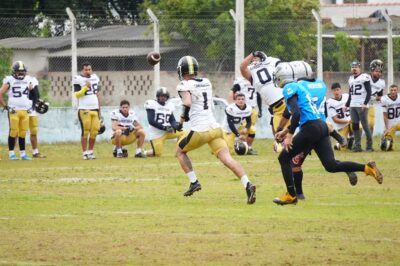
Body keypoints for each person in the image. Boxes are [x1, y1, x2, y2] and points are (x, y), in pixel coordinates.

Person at [272, 62, 383, 205]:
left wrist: (289, 135)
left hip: (310, 128)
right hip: (321, 126)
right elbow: (304, 113)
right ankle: (367, 168)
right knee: (331, 165)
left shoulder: (289, 87)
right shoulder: (301, 87)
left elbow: (296, 113)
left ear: (282, 76)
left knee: (284, 159)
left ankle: (291, 195)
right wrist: (286, 131)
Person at [175, 55, 256, 204]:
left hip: (201, 130)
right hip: (215, 128)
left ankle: (194, 182)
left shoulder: (183, 85)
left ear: (182, 71)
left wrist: (180, 122)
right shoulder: (206, 82)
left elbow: (187, 103)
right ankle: (247, 184)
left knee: (179, 151)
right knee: (227, 159)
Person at [240, 51, 287, 136]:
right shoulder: (252, 71)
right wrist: (253, 54)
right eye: (253, 59)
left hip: (283, 102)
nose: (254, 60)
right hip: (275, 107)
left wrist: (254, 54)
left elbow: (285, 68)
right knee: (278, 134)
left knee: (282, 137)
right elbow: (242, 67)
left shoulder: (271, 62)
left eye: (256, 58)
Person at [0, 61, 35, 160]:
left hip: (25, 110)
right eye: (19, 71)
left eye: (23, 71)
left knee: (23, 132)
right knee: (13, 131)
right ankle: (11, 153)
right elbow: (0, 93)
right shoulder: (9, 80)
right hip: (13, 110)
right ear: (14, 71)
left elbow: (33, 94)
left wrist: (33, 104)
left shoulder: (28, 80)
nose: (21, 73)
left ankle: (23, 154)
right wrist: (5, 106)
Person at [144, 87, 185, 157]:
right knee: (157, 154)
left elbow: (172, 120)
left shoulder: (169, 105)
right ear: (158, 96)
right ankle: (145, 152)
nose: (163, 98)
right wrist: (165, 128)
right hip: (157, 133)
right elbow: (151, 121)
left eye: (165, 96)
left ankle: (178, 152)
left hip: (168, 131)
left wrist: (174, 126)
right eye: (161, 96)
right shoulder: (152, 104)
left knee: (183, 133)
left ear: (167, 97)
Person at [73, 62, 101, 160]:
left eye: (89, 69)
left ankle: (90, 152)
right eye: (86, 69)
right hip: (84, 108)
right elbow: (76, 95)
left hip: (95, 108)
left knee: (94, 131)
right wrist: (85, 87)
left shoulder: (95, 78)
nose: (88, 71)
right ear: (82, 70)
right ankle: (84, 153)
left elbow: (97, 94)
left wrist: (99, 109)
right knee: (85, 131)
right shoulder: (78, 79)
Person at [228, 77, 262, 155]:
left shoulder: (256, 81)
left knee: (251, 129)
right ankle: (239, 146)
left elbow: (258, 95)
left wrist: (260, 109)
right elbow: (232, 91)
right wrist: (232, 105)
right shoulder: (240, 81)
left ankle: (247, 148)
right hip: (242, 110)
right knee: (241, 129)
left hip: (252, 109)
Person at [345, 61, 373, 152]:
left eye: (356, 67)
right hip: (353, 105)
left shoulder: (364, 77)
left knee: (365, 126)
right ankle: (357, 146)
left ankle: (369, 146)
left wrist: (365, 103)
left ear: (359, 68)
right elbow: (350, 94)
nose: (354, 68)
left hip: (361, 105)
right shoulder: (350, 79)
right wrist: (346, 104)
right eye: (353, 67)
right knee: (355, 126)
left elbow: (369, 92)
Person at [326, 82, 353, 150]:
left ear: (341, 90)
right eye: (334, 90)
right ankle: (338, 145)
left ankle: (352, 138)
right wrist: (347, 121)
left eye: (337, 89)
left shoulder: (346, 96)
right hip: (342, 126)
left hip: (351, 122)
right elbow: (335, 120)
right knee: (343, 148)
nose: (336, 92)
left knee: (358, 125)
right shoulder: (330, 102)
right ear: (332, 92)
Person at [27, 76, 46, 158]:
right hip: (21, 108)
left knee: (34, 131)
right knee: (17, 132)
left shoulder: (32, 80)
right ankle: (12, 153)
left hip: (32, 110)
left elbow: (36, 95)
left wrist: (37, 102)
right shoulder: (15, 80)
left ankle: (35, 152)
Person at [368, 59, 385, 135]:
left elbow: (380, 96)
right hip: (361, 103)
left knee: (371, 124)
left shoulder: (381, 83)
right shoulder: (366, 78)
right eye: (376, 71)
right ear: (372, 71)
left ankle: (370, 141)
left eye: (380, 71)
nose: (378, 73)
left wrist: (374, 98)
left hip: (371, 104)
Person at [380, 84, 400, 151]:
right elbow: (385, 115)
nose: (393, 92)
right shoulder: (384, 99)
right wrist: (386, 128)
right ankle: (390, 146)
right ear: (389, 90)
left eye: (395, 90)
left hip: (398, 122)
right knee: (385, 146)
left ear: (397, 90)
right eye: (391, 90)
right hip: (390, 123)